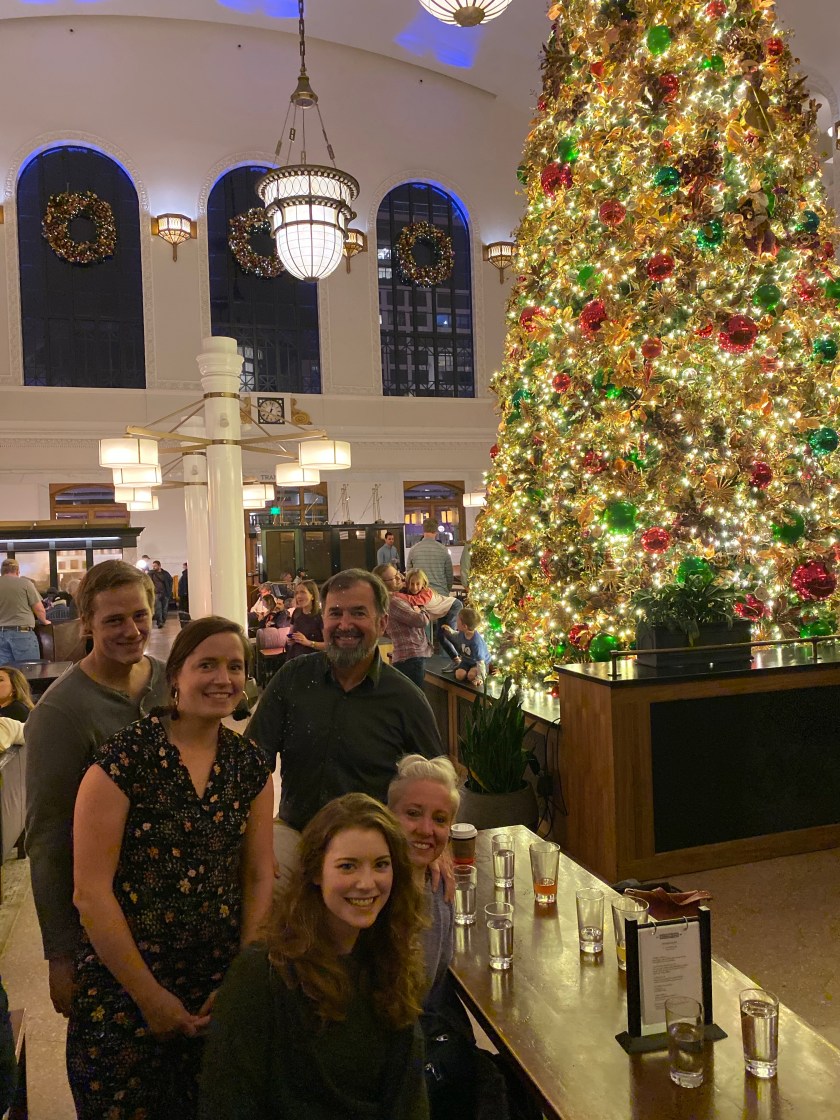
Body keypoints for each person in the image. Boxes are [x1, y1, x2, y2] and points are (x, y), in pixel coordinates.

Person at [68, 616, 275, 1120]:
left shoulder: (250, 766)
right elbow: (91, 892)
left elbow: (257, 876)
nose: (223, 678)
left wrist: (241, 979)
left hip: (217, 988)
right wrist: (149, 996)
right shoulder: (122, 761)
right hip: (125, 987)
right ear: (175, 675)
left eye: (234, 667)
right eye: (207, 665)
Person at [198, 792, 429, 1120]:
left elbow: (409, 1097)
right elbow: (228, 1102)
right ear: (317, 872)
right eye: (347, 866)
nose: (367, 883)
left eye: (381, 865)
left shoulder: (392, 961)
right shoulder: (261, 973)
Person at [25, 560, 170, 1017]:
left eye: (139, 615)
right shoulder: (60, 712)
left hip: (177, 905)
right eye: (114, 620)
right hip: (108, 918)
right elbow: (48, 836)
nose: (131, 630)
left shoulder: (172, 681)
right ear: (87, 623)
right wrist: (60, 953)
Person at [246, 568, 444, 879]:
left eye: (358, 613)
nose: (345, 624)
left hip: (374, 844)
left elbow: (436, 782)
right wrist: (257, 837)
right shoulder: (292, 679)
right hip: (297, 833)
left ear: (382, 623)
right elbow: (251, 763)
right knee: (260, 880)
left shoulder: (405, 698)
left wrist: (438, 847)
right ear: (323, 620)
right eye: (335, 613)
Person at [373, 563, 433, 691]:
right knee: (415, 698)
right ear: (382, 583)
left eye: (398, 574)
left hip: (407, 657)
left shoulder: (388, 600)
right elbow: (421, 620)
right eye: (394, 578)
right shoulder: (393, 601)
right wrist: (422, 609)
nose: (400, 578)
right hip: (411, 657)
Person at [407, 520, 461, 640]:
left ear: (423, 530)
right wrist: (446, 590)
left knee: (424, 629)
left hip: (420, 596)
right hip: (440, 595)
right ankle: (444, 649)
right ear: (436, 531)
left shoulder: (414, 550)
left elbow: (409, 574)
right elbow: (449, 574)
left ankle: (427, 645)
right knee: (444, 629)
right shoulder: (443, 549)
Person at [0, 557, 49, 662]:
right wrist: (44, 621)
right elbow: (39, 609)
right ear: (17, 571)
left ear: (2, 571)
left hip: (0, 635)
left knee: (4, 670)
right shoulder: (25, 583)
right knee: (29, 669)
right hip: (22, 635)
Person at [441, 608, 490, 685]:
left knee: (471, 676)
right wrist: (451, 631)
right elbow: (457, 634)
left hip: (477, 663)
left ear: (464, 626)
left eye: (457, 621)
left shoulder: (476, 643)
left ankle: (476, 672)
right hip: (467, 661)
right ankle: (466, 669)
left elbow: (481, 662)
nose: (456, 622)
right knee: (459, 676)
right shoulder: (463, 632)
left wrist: (480, 678)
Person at [284, 579, 324, 660]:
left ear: (312, 596)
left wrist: (308, 642)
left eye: (303, 592)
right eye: (297, 593)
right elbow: (290, 634)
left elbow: (329, 646)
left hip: (313, 660)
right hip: (295, 658)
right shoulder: (296, 612)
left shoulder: (320, 615)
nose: (298, 596)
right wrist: (290, 640)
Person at [150, 560, 174, 629]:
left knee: (164, 609)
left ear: (159, 566)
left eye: (155, 566)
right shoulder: (151, 573)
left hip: (165, 594)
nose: (154, 567)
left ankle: (163, 621)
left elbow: (170, 581)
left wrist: (169, 590)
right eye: (153, 566)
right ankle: (159, 622)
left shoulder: (165, 574)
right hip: (156, 593)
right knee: (158, 609)